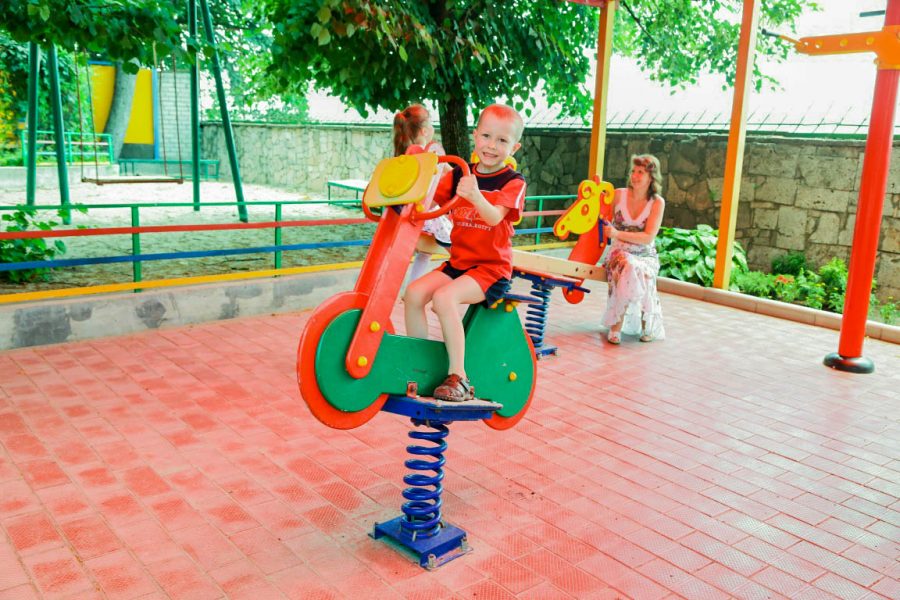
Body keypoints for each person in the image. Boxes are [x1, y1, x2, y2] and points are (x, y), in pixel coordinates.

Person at [404, 104, 526, 402]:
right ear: (475, 136)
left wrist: (474, 195)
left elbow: (495, 217)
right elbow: (429, 197)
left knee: (444, 298)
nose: (492, 146)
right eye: (486, 136)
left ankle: (460, 377)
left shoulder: (513, 182)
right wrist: (423, 176)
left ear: (515, 147)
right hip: (459, 263)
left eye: (502, 140)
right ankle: (419, 363)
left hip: (491, 270)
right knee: (414, 293)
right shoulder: (462, 174)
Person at [601, 154, 666, 344]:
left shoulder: (657, 202)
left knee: (641, 270)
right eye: (633, 171)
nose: (635, 176)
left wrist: (616, 233)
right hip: (619, 252)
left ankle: (647, 326)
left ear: (651, 177)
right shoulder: (619, 194)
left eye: (640, 172)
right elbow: (601, 215)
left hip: (645, 254)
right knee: (628, 265)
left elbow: (648, 237)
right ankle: (616, 326)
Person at [392, 104, 453, 284]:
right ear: (425, 131)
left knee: (424, 254)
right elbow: (451, 173)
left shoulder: (402, 154)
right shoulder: (432, 153)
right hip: (426, 213)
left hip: (407, 212)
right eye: (432, 123)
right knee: (458, 246)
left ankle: (411, 286)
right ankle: (464, 274)